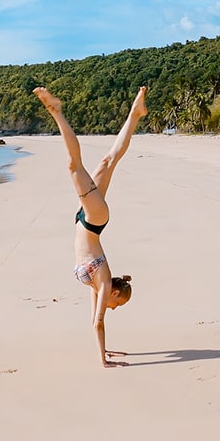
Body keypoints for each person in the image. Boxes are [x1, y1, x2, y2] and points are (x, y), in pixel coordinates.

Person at [33, 85, 146, 367]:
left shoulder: (99, 286)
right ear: (115, 293)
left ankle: (135, 113)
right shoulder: (104, 284)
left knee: (108, 160)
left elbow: (92, 320)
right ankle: (56, 111)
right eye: (118, 304)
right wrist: (103, 361)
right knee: (74, 166)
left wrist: (104, 352)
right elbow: (99, 323)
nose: (113, 308)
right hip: (94, 219)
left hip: (86, 219)